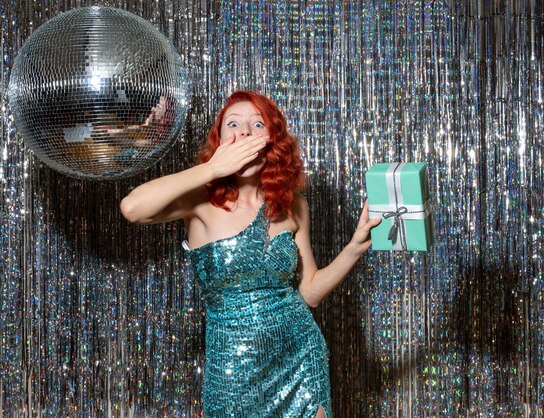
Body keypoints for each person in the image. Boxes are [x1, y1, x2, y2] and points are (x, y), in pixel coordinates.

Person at [120, 91, 380, 417]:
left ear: (272, 140)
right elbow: (132, 208)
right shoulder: (199, 201)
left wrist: (353, 249)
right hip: (232, 369)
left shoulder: (293, 204)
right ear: (220, 141)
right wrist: (212, 170)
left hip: (301, 357)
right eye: (233, 124)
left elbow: (310, 292)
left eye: (257, 124)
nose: (243, 132)